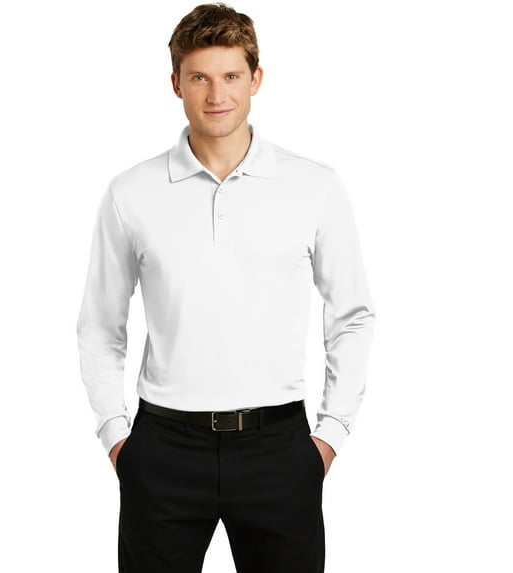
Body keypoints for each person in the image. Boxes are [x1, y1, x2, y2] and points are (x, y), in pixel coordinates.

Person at [76, 3, 376, 572]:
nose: (217, 95)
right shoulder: (131, 193)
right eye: (199, 78)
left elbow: (353, 316)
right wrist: (117, 437)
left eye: (231, 76)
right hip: (163, 448)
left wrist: (331, 434)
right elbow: (99, 326)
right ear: (176, 83)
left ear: (256, 79)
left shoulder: (314, 187)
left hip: (278, 446)